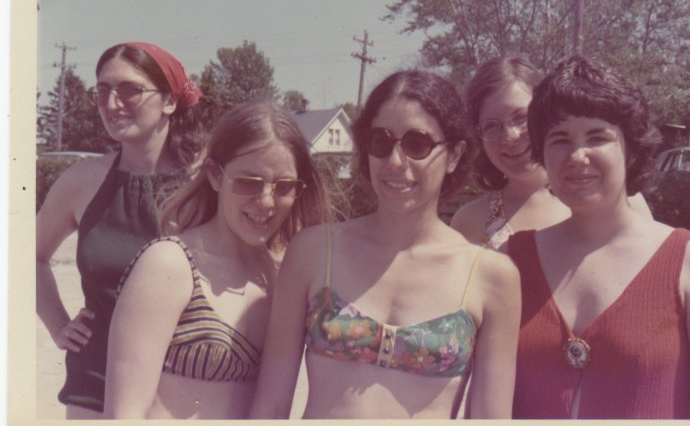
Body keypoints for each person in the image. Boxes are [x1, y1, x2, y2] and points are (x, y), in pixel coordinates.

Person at [250, 70, 521, 419]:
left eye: (417, 144)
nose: (396, 162)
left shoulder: (491, 275)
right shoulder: (314, 251)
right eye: (381, 141)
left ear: (454, 155)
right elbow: (270, 406)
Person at [507, 56, 690, 419]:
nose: (578, 155)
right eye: (559, 139)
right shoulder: (509, 260)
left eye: (598, 137)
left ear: (631, 149)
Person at [102, 101, 331, 419]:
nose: (266, 201)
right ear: (214, 176)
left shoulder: (282, 277)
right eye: (248, 182)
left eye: (283, 187)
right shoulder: (169, 264)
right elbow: (123, 414)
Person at [36, 42, 204, 418]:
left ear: (170, 101)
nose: (112, 104)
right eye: (103, 91)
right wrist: (58, 325)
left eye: (129, 90)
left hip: (185, 390)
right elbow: (27, 256)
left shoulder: (207, 183)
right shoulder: (81, 181)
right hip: (95, 385)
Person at [451, 56, 651, 249]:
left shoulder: (619, 200)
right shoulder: (468, 220)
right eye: (491, 126)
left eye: (520, 118)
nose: (509, 136)